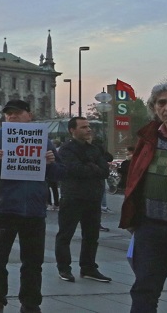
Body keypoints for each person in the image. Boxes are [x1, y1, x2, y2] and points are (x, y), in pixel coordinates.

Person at [0, 99, 59, 313]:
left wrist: (52, 163)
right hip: (3, 208)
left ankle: (30, 304)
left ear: (29, 115)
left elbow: (61, 172)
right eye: (9, 113)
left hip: (34, 209)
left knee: (33, 262)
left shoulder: (42, 139)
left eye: (18, 112)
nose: (12, 116)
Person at [119, 80, 167, 313]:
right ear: (154, 107)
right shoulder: (148, 138)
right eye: (162, 103)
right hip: (150, 226)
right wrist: (134, 217)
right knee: (145, 289)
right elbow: (134, 178)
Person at [54, 116, 112, 283]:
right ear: (72, 130)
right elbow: (75, 170)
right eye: (84, 127)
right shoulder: (66, 149)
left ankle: (88, 268)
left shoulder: (94, 148)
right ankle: (64, 268)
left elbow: (105, 171)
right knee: (65, 234)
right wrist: (93, 167)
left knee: (91, 235)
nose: (88, 129)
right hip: (73, 197)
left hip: (93, 198)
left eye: (88, 126)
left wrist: (90, 167)